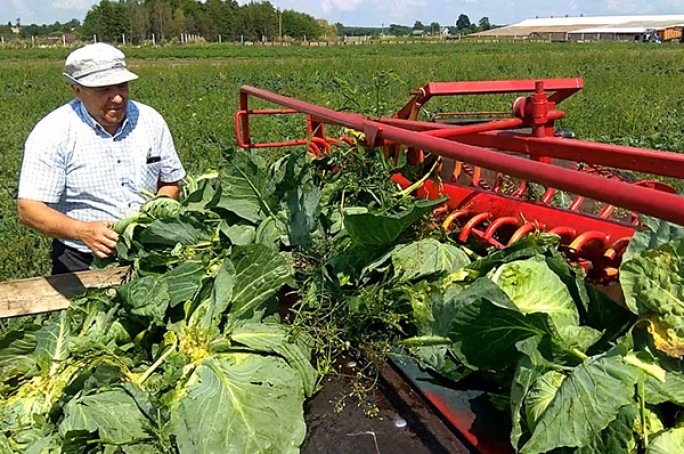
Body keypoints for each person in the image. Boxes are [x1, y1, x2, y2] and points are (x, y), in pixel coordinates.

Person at [17, 43, 186, 274]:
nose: (117, 98)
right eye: (103, 89)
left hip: (149, 252)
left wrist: (154, 218)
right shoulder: (53, 132)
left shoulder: (150, 121)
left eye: (122, 86)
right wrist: (82, 231)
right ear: (77, 90)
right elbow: (29, 209)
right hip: (82, 258)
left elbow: (169, 181)